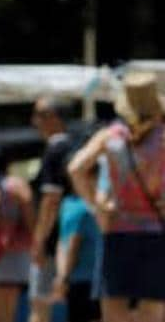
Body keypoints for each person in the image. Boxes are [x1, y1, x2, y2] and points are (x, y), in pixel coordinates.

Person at [68, 72, 165, 322]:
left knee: (113, 310)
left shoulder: (111, 136)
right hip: (157, 231)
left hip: (116, 228)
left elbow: (76, 168)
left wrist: (94, 204)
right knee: (152, 311)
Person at [29, 97, 74, 322]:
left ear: (53, 117)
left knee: (39, 305)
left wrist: (39, 242)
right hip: (74, 237)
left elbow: (50, 201)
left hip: (52, 242)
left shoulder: (55, 150)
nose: (34, 121)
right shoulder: (76, 146)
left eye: (38, 115)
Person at [0, 148, 35, 322]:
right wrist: (34, 237)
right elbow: (29, 209)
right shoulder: (16, 184)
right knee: (11, 303)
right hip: (16, 248)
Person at [51, 192, 101, 322]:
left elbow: (72, 244)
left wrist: (63, 277)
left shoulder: (70, 204)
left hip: (79, 280)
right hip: (92, 279)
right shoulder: (93, 205)